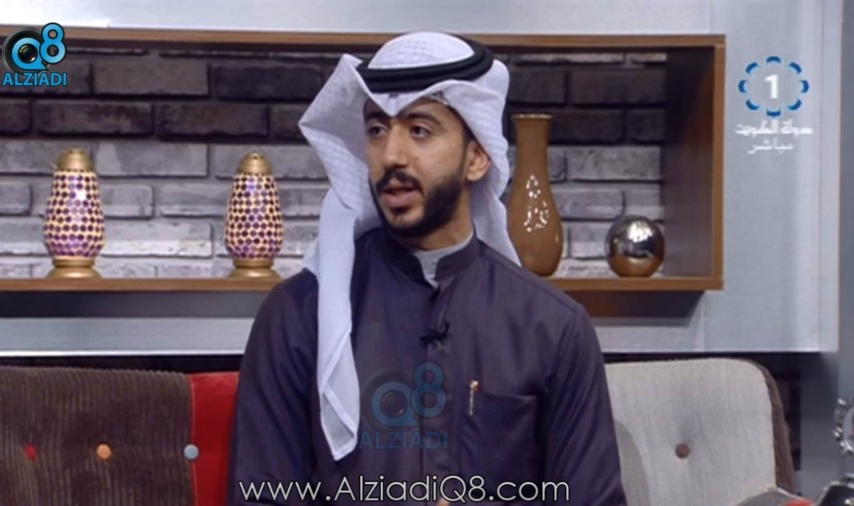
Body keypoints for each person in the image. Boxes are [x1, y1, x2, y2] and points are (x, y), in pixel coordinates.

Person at [227, 31, 627, 506]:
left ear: (477, 157)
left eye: (419, 130)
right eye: (377, 129)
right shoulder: (298, 316)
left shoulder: (552, 326)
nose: (392, 156)